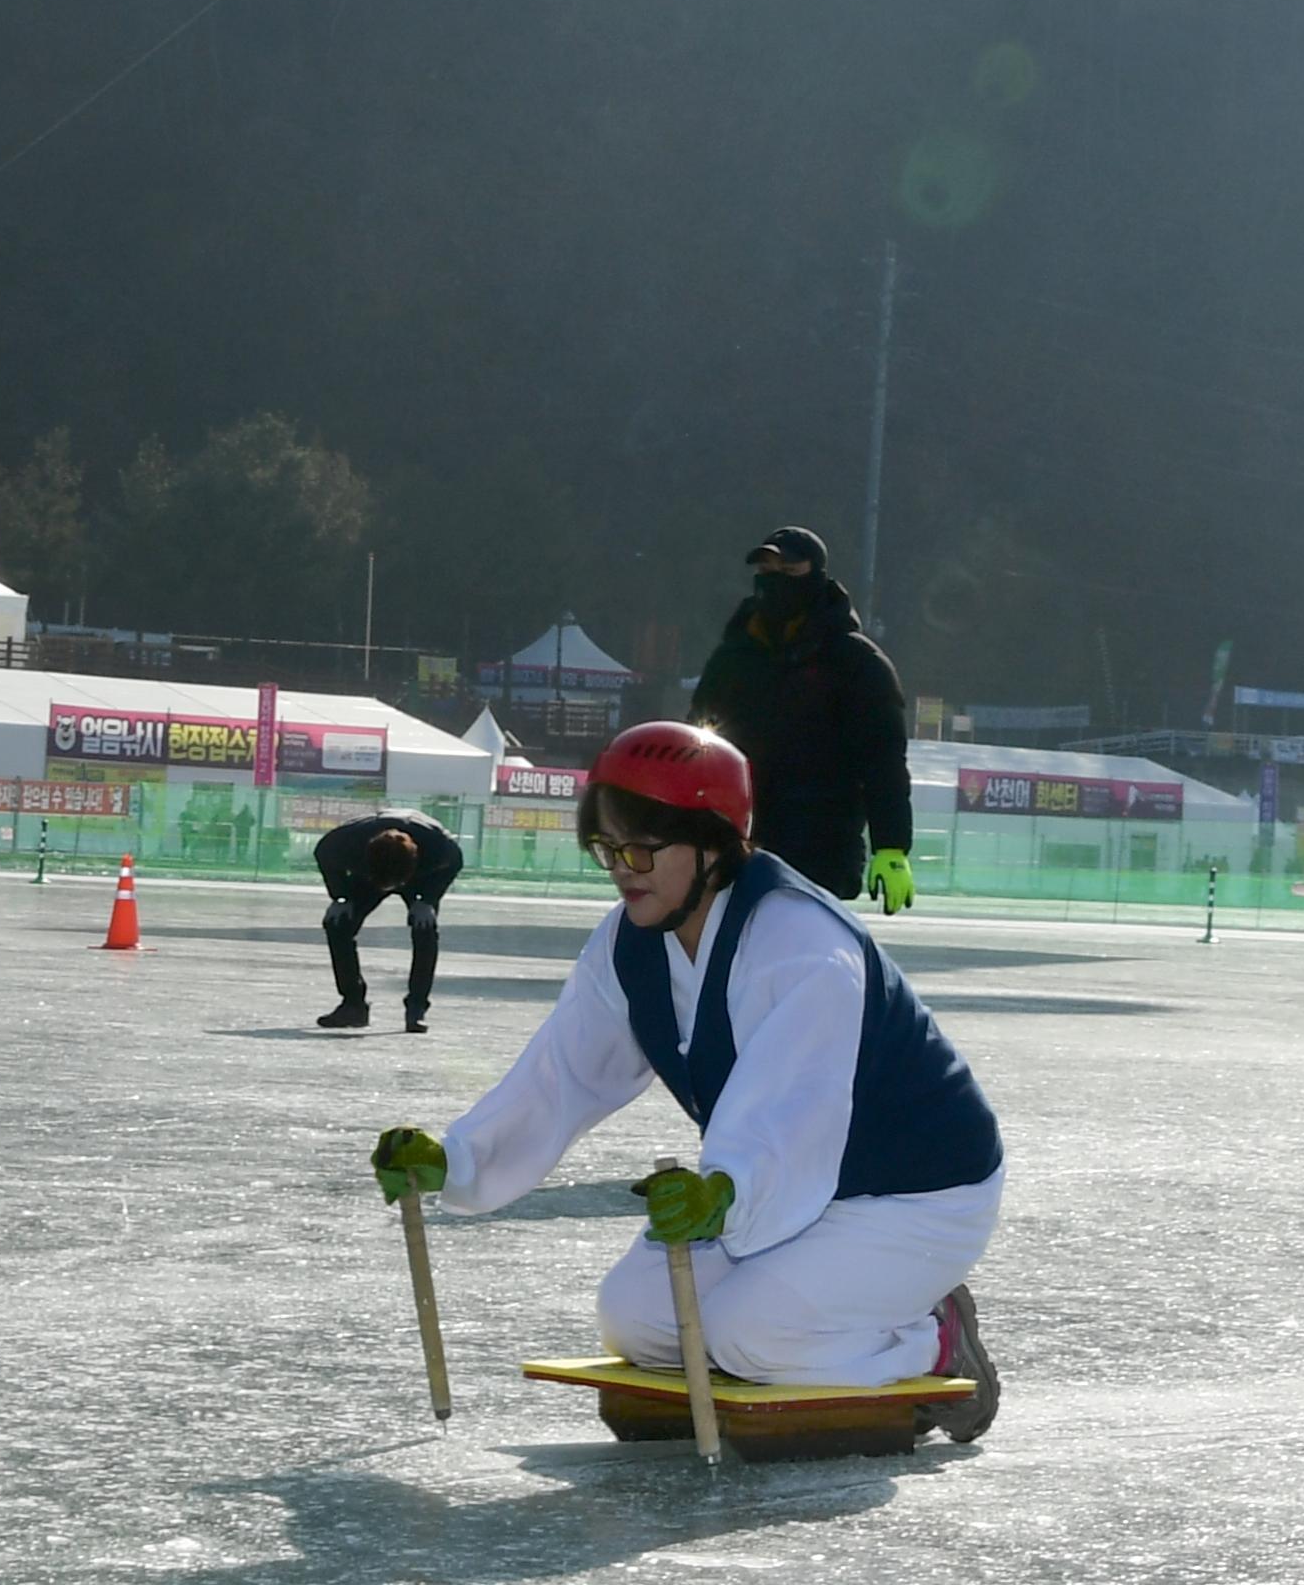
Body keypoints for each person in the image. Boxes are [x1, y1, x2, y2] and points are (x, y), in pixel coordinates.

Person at [368, 722, 1002, 1438]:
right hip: (776, 1193)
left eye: (640, 847)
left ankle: (932, 1336)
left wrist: (726, 1192)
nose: (621, 869)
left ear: (712, 841)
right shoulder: (629, 940)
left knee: (747, 1339)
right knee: (636, 1322)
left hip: (912, 1195)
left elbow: (793, 1105)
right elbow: (564, 1071)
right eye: (606, 849)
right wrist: (456, 1160)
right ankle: (836, 1327)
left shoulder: (801, 943)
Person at [688, 525, 915, 909]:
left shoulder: (855, 662)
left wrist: (891, 846)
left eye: (789, 571)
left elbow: (883, 760)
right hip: (734, 849)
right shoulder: (733, 657)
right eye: (766, 572)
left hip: (820, 854)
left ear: (817, 577)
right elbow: (696, 744)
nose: (774, 582)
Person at [315, 807, 463, 1033]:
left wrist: (428, 901)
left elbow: (455, 863)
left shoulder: (438, 847)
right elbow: (323, 854)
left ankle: (416, 1008)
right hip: (370, 874)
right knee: (338, 924)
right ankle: (353, 1005)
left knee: (425, 927)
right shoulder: (346, 843)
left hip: (420, 877)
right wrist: (341, 897)